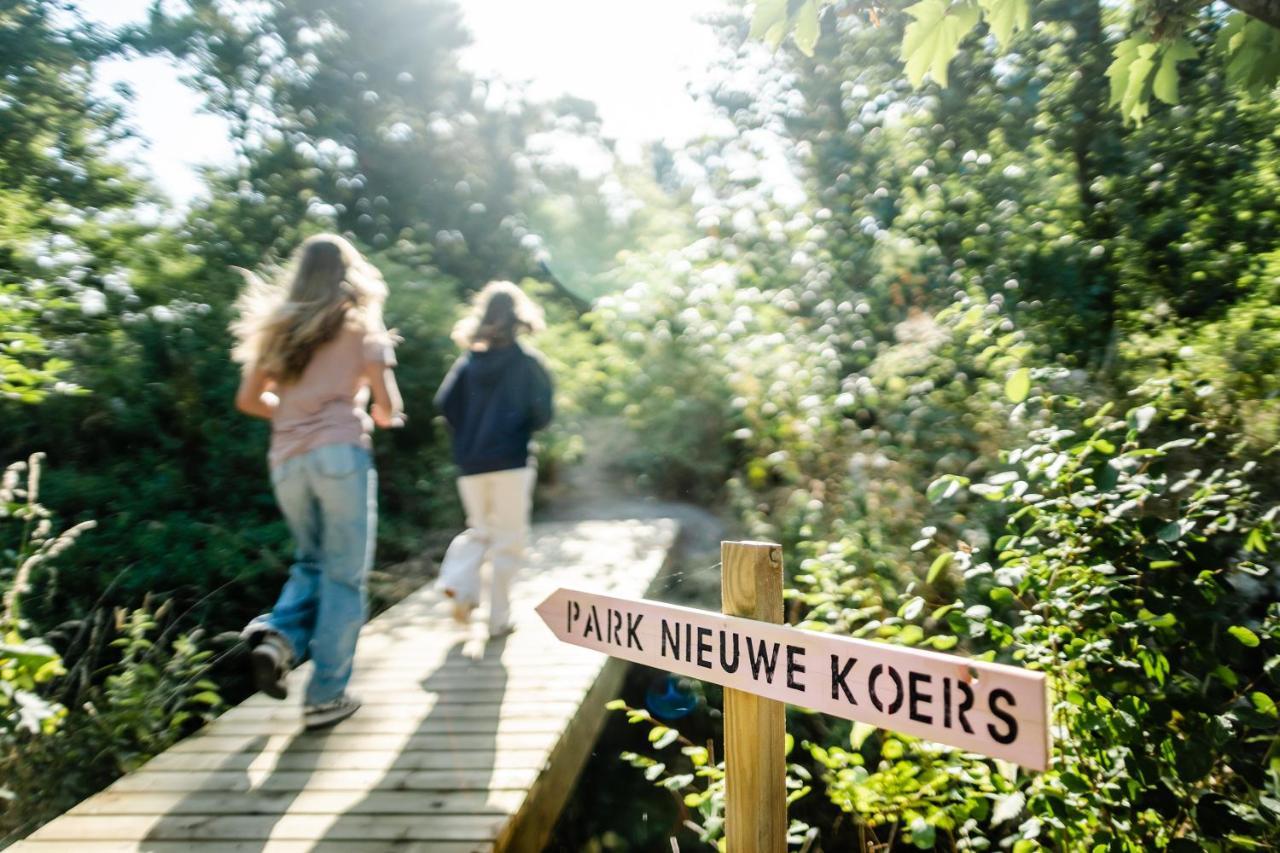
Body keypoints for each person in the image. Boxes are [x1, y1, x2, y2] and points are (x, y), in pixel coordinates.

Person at [231, 233, 403, 730]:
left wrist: (290, 411)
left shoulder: (278, 329)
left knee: (310, 561)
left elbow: (248, 400)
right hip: (339, 456)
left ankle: (279, 638)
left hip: (287, 460)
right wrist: (382, 416)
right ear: (348, 272)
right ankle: (325, 695)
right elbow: (385, 405)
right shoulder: (360, 324)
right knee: (344, 576)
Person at [434, 281, 553, 638]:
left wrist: (469, 436)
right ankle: (498, 618)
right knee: (509, 540)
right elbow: (543, 415)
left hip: (470, 463)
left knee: (480, 531)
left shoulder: (468, 362)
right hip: (512, 462)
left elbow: (445, 405)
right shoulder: (529, 363)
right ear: (519, 319)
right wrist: (518, 429)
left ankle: (460, 586)